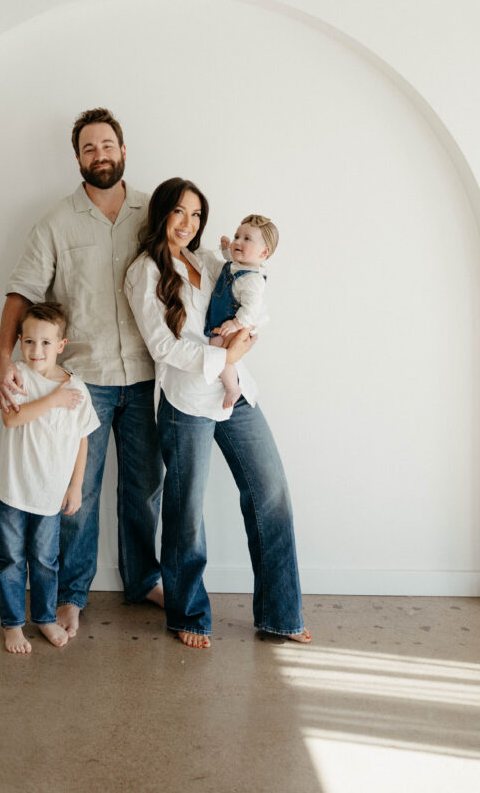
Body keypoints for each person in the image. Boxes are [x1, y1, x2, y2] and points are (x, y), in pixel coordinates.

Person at [0, 108, 164, 639]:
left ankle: (145, 581)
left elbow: (183, 267)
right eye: (89, 148)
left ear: (123, 150)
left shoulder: (152, 213)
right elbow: (22, 291)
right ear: (78, 159)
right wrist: (2, 360)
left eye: (108, 145)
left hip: (145, 373)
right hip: (82, 383)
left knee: (144, 488)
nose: (100, 154)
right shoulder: (54, 222)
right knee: (76, 495)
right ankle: (71, 595)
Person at [124, 178, 309, 650]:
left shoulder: (208, 261)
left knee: (270, 494)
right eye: (179, 212)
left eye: (196, 214)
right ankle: (188, 613)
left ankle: (281, 615)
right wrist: (224, 355)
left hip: (236, 391)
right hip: (186, 399)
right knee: (186, 511)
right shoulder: (144, 272)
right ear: (161, 214)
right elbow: (163, 347)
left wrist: (245, 337)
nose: (188, 223)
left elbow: (251, 298)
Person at [0, 302, 99, 652]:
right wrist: (53, 400)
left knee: (44, 561)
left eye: (45, 343)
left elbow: (82, 440)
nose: (36, 350)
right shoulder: (18, 376)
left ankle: (44, 617)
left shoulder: (76, 388)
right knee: (11, 560)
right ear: (20, 341)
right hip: (13, 489)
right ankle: (12, 625)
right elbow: (12, 418)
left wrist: (76, 486)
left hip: (49, 494)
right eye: (28, 341)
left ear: (61, 345)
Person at [205, 214, 278, 409]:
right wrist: (224, 249)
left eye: (246, 239)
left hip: (235, 323)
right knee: (217, 348)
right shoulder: (239, 264)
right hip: (226, 321)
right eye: (237, 236)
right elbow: (231, 259)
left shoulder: (252, 280)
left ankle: (232, 387)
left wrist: (236, 324)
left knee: (218, 349)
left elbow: (251, 310)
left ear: (263, 252)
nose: (238, 241)